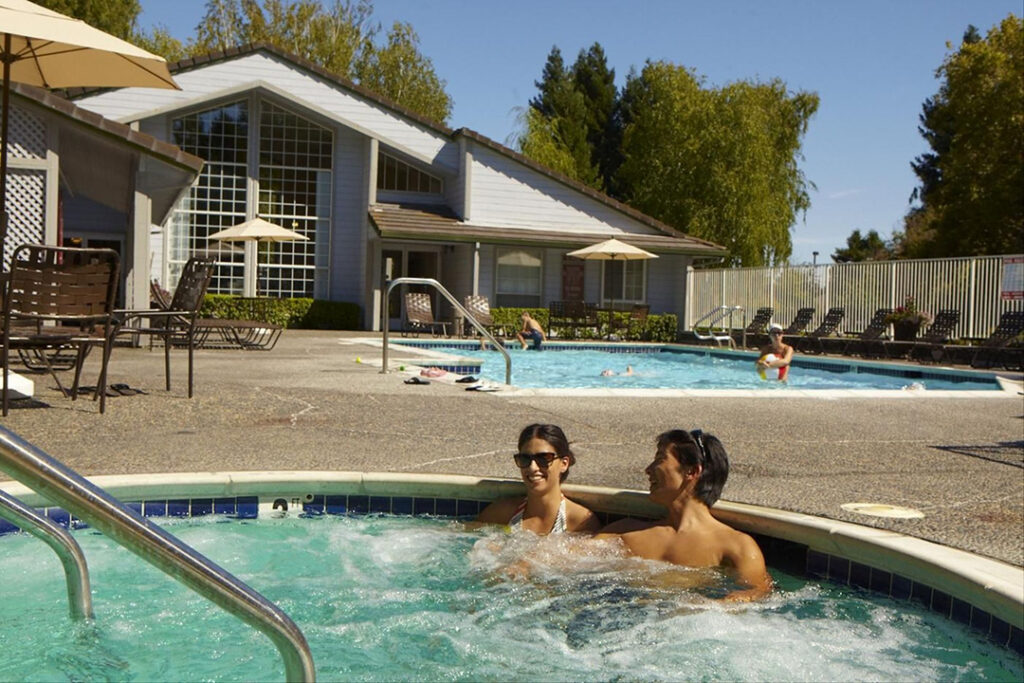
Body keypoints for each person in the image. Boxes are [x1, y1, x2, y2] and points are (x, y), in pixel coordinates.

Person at [596, 429, 772, 601]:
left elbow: (759, 593)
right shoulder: (622, 532)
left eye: (660, 459)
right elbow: (570, 557)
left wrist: (710, 608)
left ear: (692, 472)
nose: (648, 469)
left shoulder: (735, 546)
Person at [476, 424, 601, 535]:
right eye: (525, 459)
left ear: (564, 463)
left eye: (544, 458)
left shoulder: (580, 522)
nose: (532, 467)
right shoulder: (499, 514)